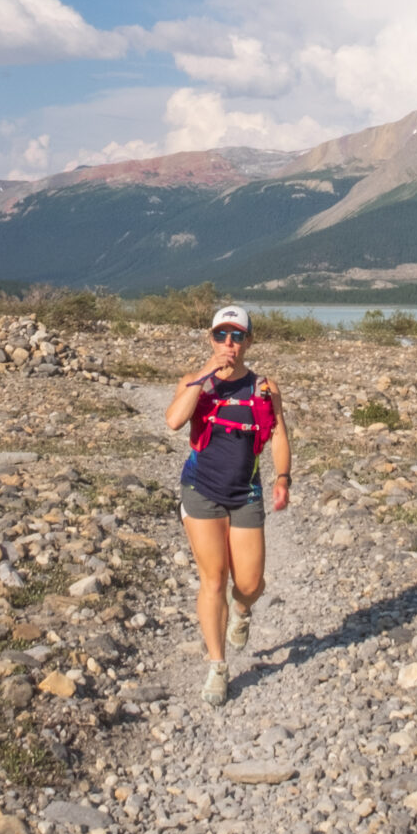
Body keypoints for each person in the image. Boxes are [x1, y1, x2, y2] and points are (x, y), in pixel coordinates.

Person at [166, 303, 291, 706]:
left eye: (237, 336)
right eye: (221, 335)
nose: (229, 344)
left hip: (246, 493)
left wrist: (283, 479)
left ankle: (242, 610)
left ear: (249, 342)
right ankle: (217, 666)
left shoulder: (264, 388)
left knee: (250, 584)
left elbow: (280, 435)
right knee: (213, 578)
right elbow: (173, 421)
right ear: (211, 338)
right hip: (200, 489)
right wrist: (205, 373)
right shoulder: (195, 382)